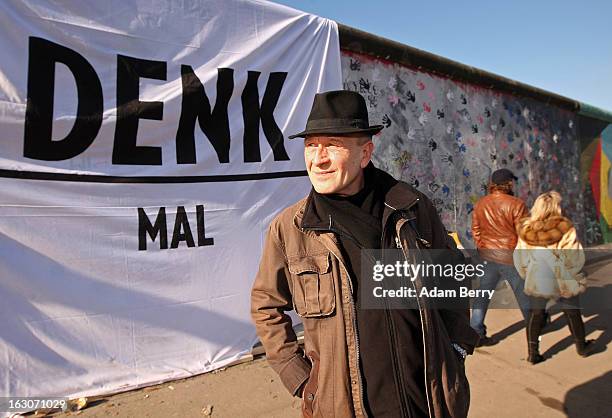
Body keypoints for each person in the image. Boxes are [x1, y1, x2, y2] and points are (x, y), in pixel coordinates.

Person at [251, 90, 478, 418]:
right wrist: (302, 380)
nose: (318, 158)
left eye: (332, 144)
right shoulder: (292, 228)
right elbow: (265, 307)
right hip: (345, 408)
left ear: (365, 153)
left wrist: (456, 346)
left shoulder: (410, 209)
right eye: (311, 145)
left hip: (427, 403)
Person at [513, 191, 595, 364]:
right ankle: (582, 347)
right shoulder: (565, 228)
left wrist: (527, 274)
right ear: (556, 207)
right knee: (572, 313)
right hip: (562, 277)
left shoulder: (526, 228)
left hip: (537, 277)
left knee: (536, 315)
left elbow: (520, 257)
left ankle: (533, 354)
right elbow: (574, 258)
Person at [470, 169, 531, 345]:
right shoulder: (517, 204)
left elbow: (476, 231)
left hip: (489, 257)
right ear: (509, 183)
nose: (514, 184)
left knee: (483, 294)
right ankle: (534, 325)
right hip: (510, 257)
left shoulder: (481, 204)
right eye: (512, 181)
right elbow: (524, 234)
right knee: (522, 294)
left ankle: (475, 331)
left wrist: (484, 250)